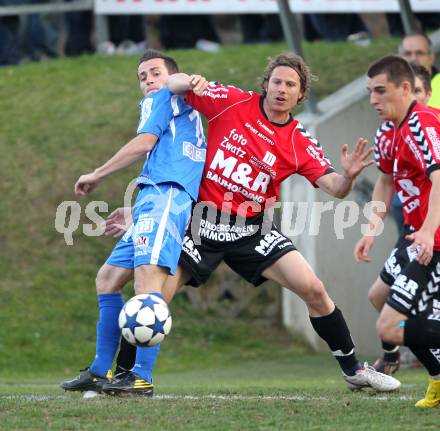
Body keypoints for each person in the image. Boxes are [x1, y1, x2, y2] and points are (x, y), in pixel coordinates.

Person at [102, 52, 401, 396]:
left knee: (314, 289)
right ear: (266, 84)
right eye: (277, 82)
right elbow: (172, 84)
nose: (282, 89)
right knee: (152, 297)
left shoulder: (298, 139)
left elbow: (334, 188)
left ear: (300, 95)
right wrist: (190, 79)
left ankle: (354, 370)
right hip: (202, 223)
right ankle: (126, 375)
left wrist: (348, 177)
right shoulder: (232, 101)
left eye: (291, 85)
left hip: (251, 229)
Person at [60, 49, 207, 396]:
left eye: (155, 72)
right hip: (153, 198)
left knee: (147, 285)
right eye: (142, 77)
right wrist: (137, 209)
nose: (149, 80)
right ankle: (99, 370)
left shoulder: (169, 94)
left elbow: (144, 143)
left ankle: (140, 376)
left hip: (167, 198)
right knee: (108, 279)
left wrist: (97, 173)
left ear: (169, 76)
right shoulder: (173, 102)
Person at [354, 55, 440, 408]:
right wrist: (370, 230)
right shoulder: (387, 131)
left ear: (406, 89)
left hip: (433, 239)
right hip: (417, 236)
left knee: (390, 327)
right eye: (369, 92)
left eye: (380, 91)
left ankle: (435, 377)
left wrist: (427, 233)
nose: (373, 99)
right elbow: (385, 182)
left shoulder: (424, 124)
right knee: (378, 296)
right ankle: (437, 378)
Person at [399, 33, 440, 109]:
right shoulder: (394, 91)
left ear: (431, 57)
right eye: (407, 53)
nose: (413, 58)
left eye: (419, 53)